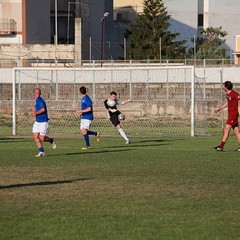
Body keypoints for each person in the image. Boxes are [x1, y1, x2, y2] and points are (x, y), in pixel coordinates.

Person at [214, 81, 240, 151]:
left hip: (233, 115)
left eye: (224, 86)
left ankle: (221, 146)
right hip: (231, 114)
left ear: (226, 87)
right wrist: (219, 108)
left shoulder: (234, 94)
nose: (223, 87)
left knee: (226, 129)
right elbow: (228, 103)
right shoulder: (228, 95)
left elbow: (239, 98)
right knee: (236, 131)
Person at [29, 88, 56, 157]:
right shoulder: (37, 100)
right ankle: (41, 151)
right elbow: (38, 108)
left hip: (43, 121)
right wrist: (33, 109)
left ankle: (51, 140)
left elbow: (43, 109)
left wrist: (35, 113)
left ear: (35, 93)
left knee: (42, 138)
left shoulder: (39, 99)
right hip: (37, 121)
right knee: (35, 136)